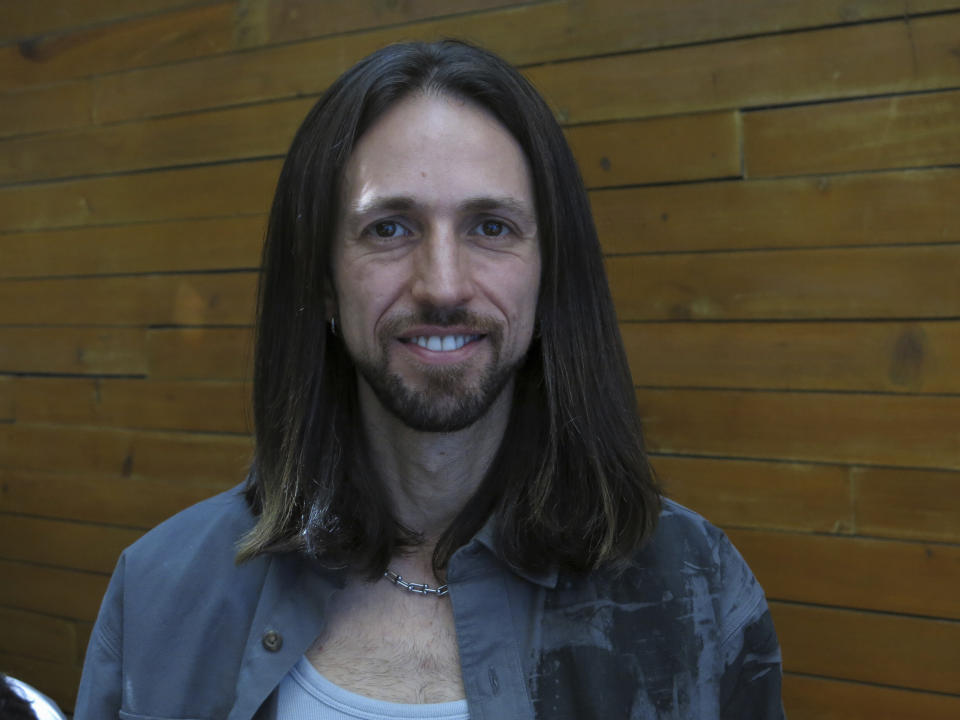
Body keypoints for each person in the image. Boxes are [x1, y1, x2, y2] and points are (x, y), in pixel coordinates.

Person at [75, 40, 784, 719]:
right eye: (389, 229)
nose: (442, 285)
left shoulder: (695, 590)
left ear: (548, 271)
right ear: (323, 280)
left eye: (491, 227)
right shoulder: (160, 589)